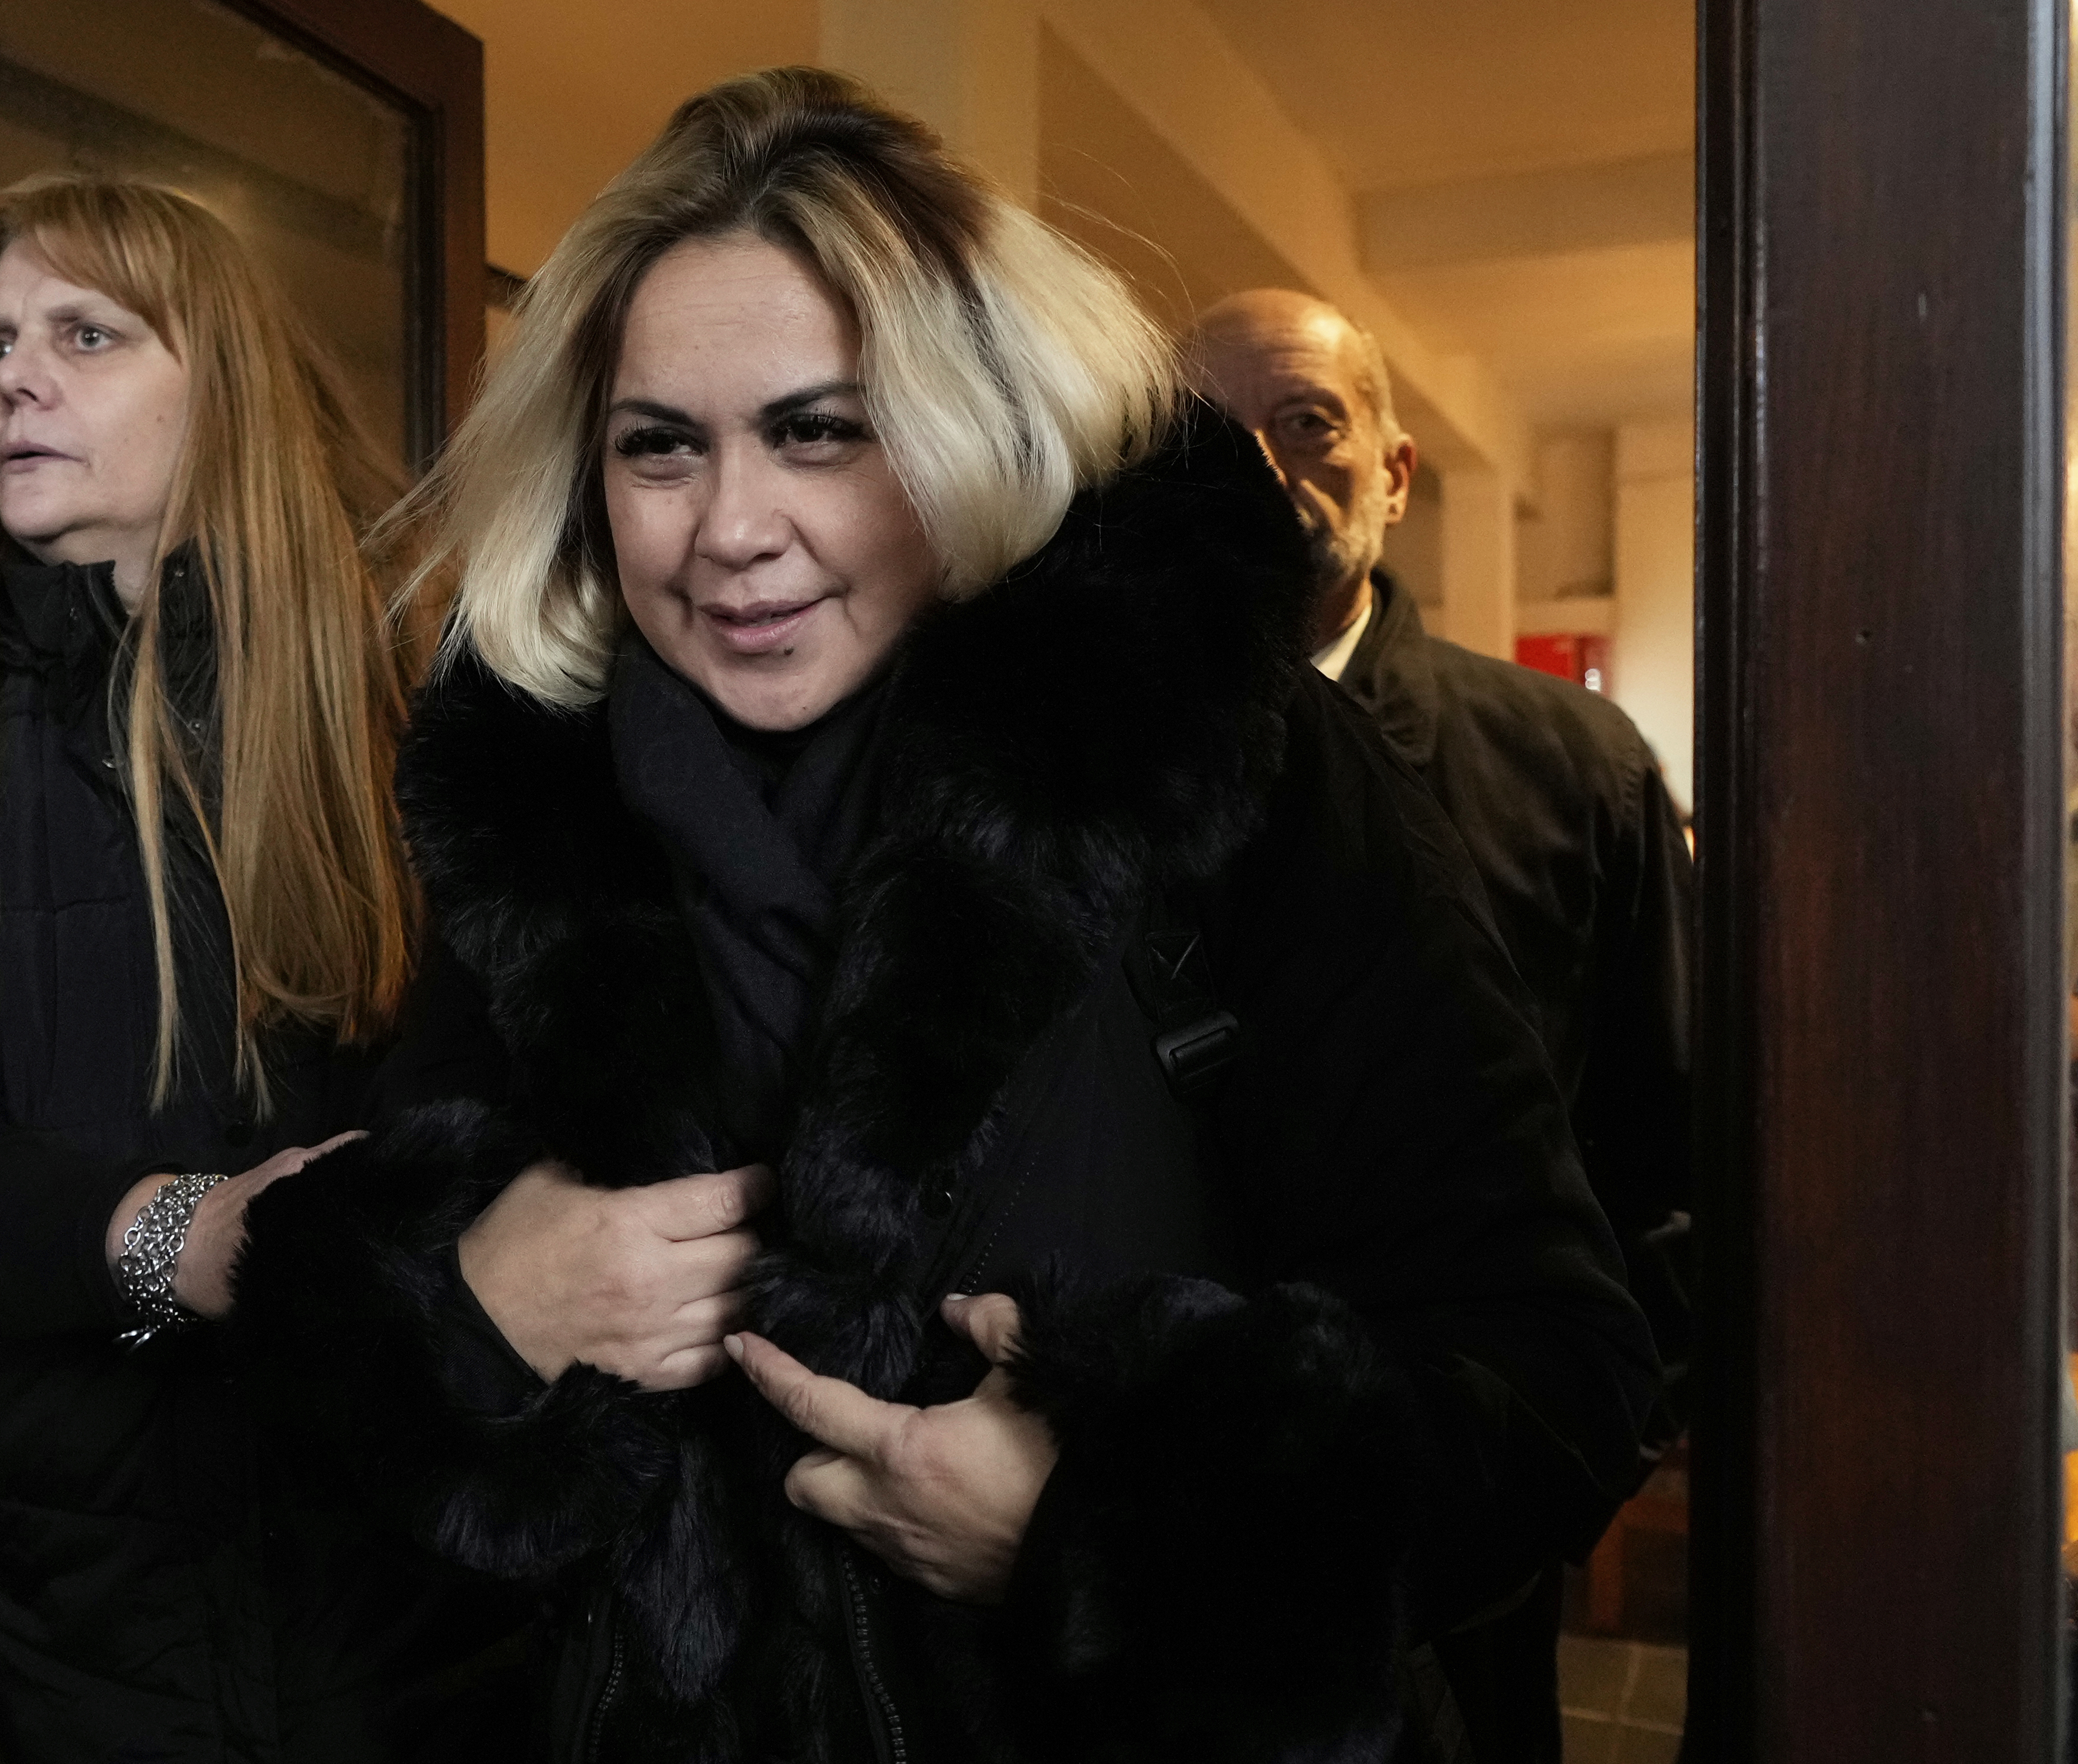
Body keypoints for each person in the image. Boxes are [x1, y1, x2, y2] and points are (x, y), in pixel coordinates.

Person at [233, 70, 1659, 1763]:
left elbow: (1552, 1369)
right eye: (659, 445)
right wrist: (471, 1307)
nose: (731, 530)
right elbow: (348, 1440)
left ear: (961, 433)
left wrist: (1103, 1534)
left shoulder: (1213, 764)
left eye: (818, 430)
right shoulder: (543, 832)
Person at [0, 175, 477, 1758]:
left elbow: (509, 1106)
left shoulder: (419, 687)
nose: (13, 381)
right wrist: (179, 1239)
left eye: (87, 334)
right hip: (80, 1606)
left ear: (226, 386)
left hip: (404, 1585)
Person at [1191, 289, 1698, 1762]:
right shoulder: (1082, 769)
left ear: (1394, 474)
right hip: (1149, 1530)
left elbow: (1667, 1162)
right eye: (1208, 437)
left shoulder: (1568, 767)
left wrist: (1554, 1474)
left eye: (1306, 424)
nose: (1259, 469)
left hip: (1461, 1541)